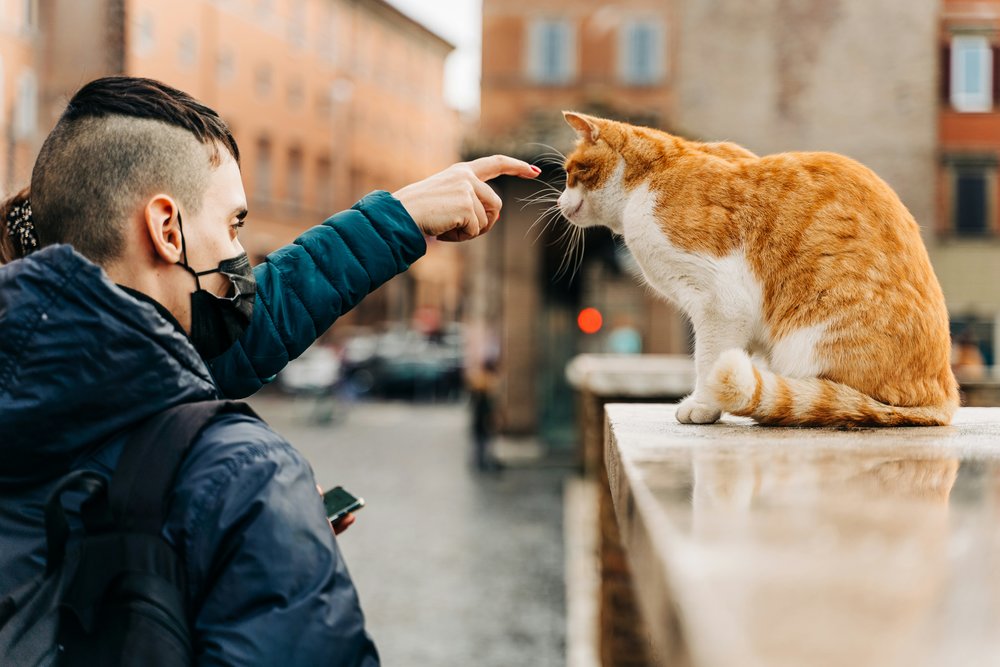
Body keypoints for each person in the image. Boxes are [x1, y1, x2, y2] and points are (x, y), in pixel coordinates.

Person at [0, 76, 538, 664]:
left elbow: (195, 347)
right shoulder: (244, 477)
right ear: (167, 229)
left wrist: (397, 219)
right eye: (233, 225)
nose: (240, 257)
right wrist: (263, 530)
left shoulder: (33, 381)